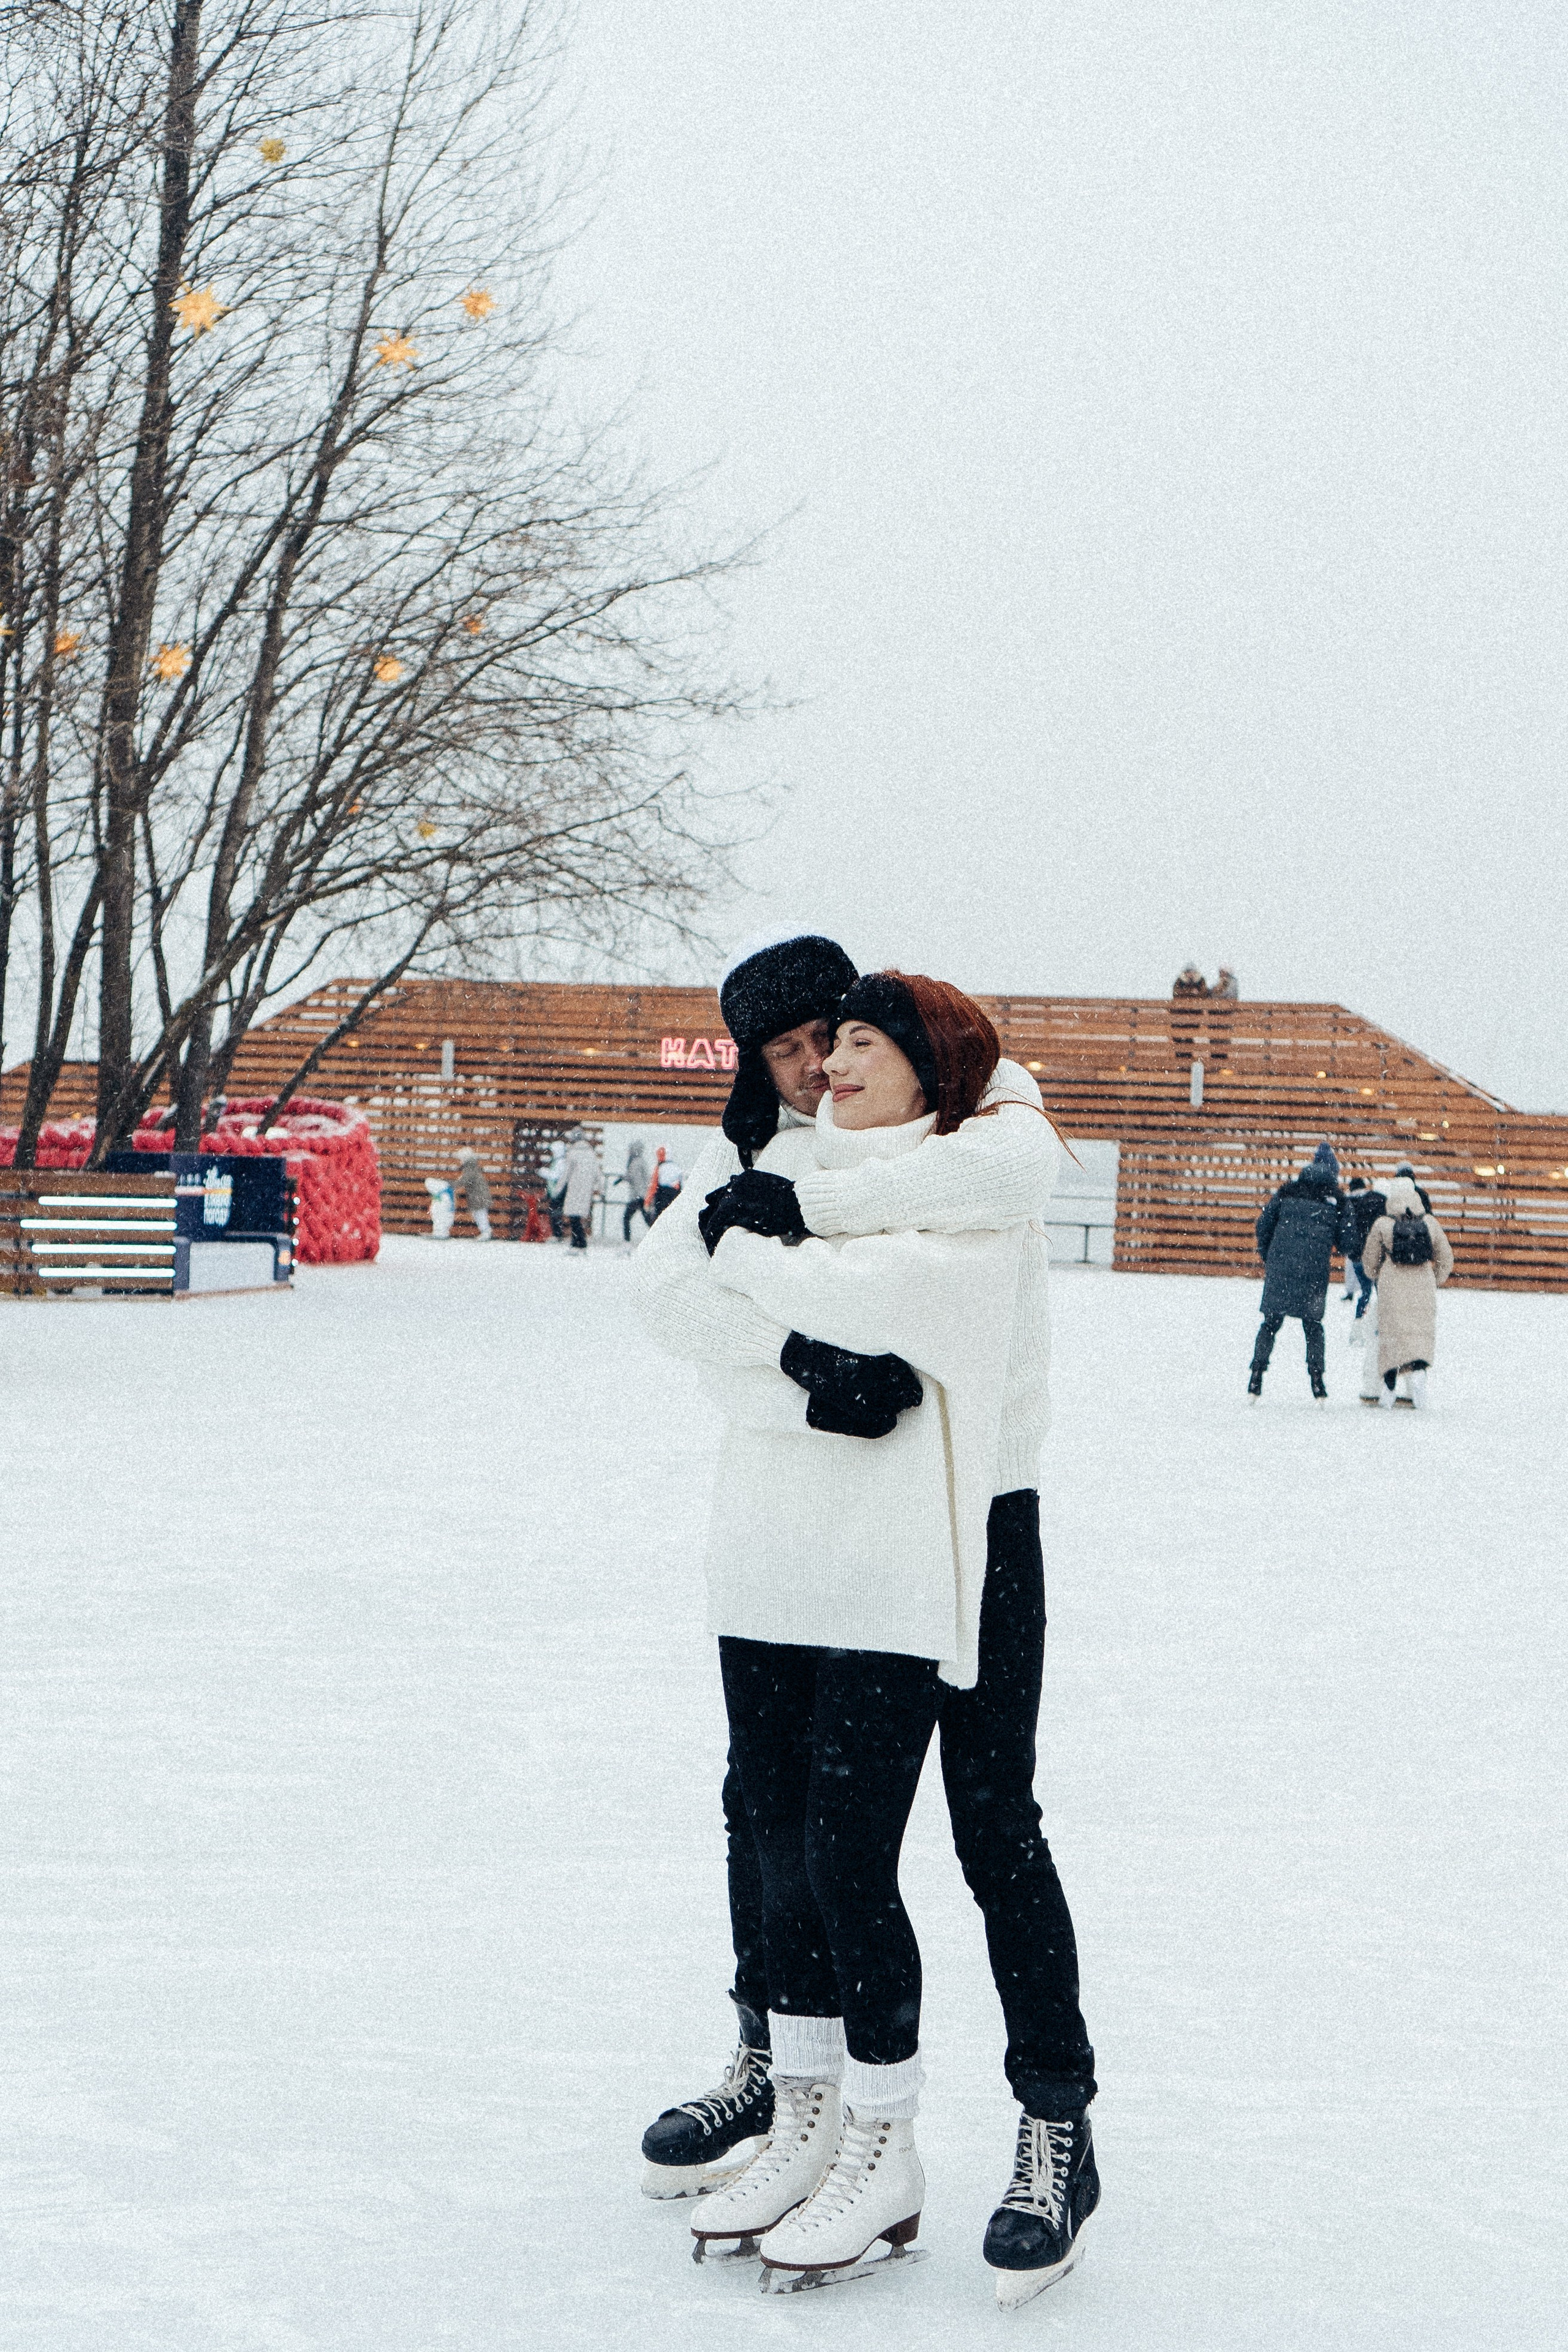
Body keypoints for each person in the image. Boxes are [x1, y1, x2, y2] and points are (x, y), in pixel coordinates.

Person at [631, 933, 1097, 2308]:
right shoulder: (765, 1150)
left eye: (826, 1040)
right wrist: (793, 1368)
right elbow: (670, 1295)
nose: (809, 1071)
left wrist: (785, 1225)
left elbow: (978, 1211)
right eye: (781, 1054)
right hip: (838, 1524)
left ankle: (1054, 2123)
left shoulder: (974, 1125)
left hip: (977, 1516)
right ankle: (783, 2063)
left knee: (990, 1825)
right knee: (778, 1810)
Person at [1248, 1140, 1355, 1401]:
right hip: (1313, 1271)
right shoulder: (1337, 1200)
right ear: (1334, 1173)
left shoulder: (1287, 1191)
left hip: (1281, 1267)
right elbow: (1348, 1241)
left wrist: (1269, 1256)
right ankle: (1318, 1383)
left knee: (1271, 1323)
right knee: (1313, 1326)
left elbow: (1264, 1225)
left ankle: (1256, 1376)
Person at [1359, 1174, 1453, 1408]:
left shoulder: (1383, 1224)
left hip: (1392, 1286)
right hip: (1422, 1285)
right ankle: (1419, 1370)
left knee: (1391, 1337)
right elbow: (1446, 1258)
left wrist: (1378, 1274)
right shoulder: (1430, 1223)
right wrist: (1434, 1278)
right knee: (1419, 1336)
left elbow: (1369, 1263)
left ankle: (1389, 1385)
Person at [1340, 1177, 1381, 1316]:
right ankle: (1381, 1313)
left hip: (1356, 1250)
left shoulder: (1348, 1203)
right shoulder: (1375, 1200)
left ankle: (1359, 1313)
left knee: (1365, 1288)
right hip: (1373, 1249)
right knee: (1378, 1285)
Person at [560, 1126, 600, 1250]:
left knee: (573, 1216)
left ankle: (580, 1242)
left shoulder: (573, 1153)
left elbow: (566, 1174)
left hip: (574, 1187)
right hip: (586, 1189)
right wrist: (600, 1187)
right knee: (578, 1216)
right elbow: (597, 1172)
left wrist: (558, 1188)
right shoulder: (591, 1153)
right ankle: (577, 1241)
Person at [455, 1148, 492, 1241]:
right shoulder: (473, 1167)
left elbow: (464, 1180)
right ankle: (485, 1232)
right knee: (479, 1214)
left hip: (478, 1195)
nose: (460, 1161)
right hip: (479, 1194)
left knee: (480, 1214)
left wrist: (452, 1185)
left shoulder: (470, 1168)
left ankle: (486, 1232)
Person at [621, 1139, 651, 1242]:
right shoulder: (642, 1162)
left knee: (626, 1218)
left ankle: (627, 1241)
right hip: (643, 1195)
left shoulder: (635, 1163)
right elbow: (646, 1178)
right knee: (648, 1219)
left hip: (637, 1196)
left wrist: (622, 1178)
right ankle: (657, 1236)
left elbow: (632, 1177)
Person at [646, 1147, 684, 1222]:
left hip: (662, 1198)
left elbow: (653, 1186)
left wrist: (647, 1202)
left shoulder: (659, 1168)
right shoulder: (676, 1167)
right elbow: (681, 1184)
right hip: (675, 1197)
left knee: (660, 1220)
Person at [543, 1139, 569, 1240]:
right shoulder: (558, 1162)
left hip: (558, 1192)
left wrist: (543, 1172)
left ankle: (557, 1234)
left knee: (555, 1213)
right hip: (555, 1191)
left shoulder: (561, 1163)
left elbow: (555, 1176)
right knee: (554, 1212)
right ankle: (557, 1233)